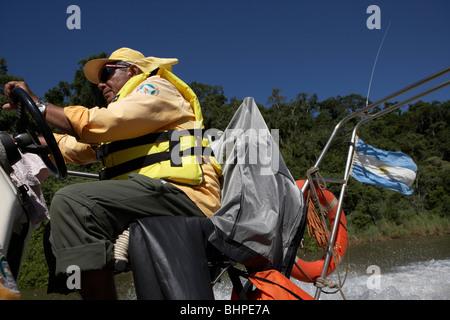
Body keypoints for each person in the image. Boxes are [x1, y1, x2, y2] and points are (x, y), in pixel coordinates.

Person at [2, 47, 222, 299]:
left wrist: (40, 106)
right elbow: (70, 146)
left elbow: (106, 122)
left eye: (106, 73)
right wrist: (16, 142)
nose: (100, 84)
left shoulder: (156, 89)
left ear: (133, 70)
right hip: (150, 199)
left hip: (185, 196)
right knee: (57, 230)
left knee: (72, 203)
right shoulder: (126, 119)